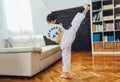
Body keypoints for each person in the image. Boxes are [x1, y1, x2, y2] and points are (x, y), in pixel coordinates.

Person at [46, 4, 90, 78]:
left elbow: (52, 37)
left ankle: (65, 74)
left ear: (48, 21)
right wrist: (60, 26)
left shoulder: (47, 30)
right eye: (54, 21)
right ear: (53, 21)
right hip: (68, 36)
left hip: (63, 43)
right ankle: (86, 9)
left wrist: (60, 27)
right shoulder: (57, 25)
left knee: (66, 57)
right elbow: (61, 31)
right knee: (75, 23)